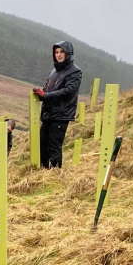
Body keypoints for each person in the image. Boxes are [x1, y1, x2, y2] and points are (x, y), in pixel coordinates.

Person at [33, 41, 82, 169]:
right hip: (48, 113)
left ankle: (54, 174)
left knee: (54, 146)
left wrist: (46, 95)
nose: (58, 55)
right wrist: (41, 93)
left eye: (61, 52)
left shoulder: (75, 72)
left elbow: (68, 91)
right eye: (56, 52)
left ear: (68, 53)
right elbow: (47, 88)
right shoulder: (54, 70)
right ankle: (43, 172)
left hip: (61, 115)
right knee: (42, 144)